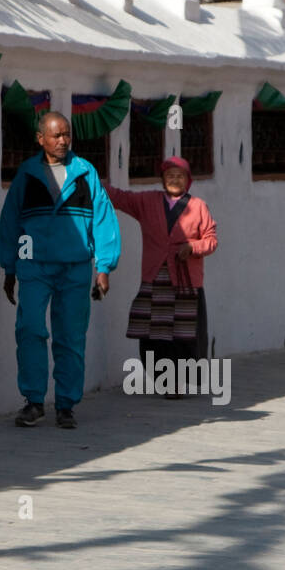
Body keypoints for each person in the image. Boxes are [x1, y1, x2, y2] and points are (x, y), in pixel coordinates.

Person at [0, 111, 121, 429]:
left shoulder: (85, 172)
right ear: (41, 139)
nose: (63, 140)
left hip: (75, 268)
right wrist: (9, 268)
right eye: (56, 135)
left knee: (70, 336)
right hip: (34, 266)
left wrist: (104, 266)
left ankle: (66, 405)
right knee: (30, 330)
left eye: (67, 134)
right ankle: (33, 402)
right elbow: (10, 223)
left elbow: (104, 220)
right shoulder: (26, 175)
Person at [105, 156, 218, 395]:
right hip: (155, 278)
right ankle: (164, 380)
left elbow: (211, 240)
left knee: (183, 334)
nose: (174, 180)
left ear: (188, 181)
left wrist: (193, 248)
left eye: (180, 176)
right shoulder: (147, 201)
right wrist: (90, 180)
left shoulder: (198, 206)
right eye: (169, 175)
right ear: (162, 179)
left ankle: (180, 380)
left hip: (185, 281)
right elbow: (119, 197)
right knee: (155, 333)